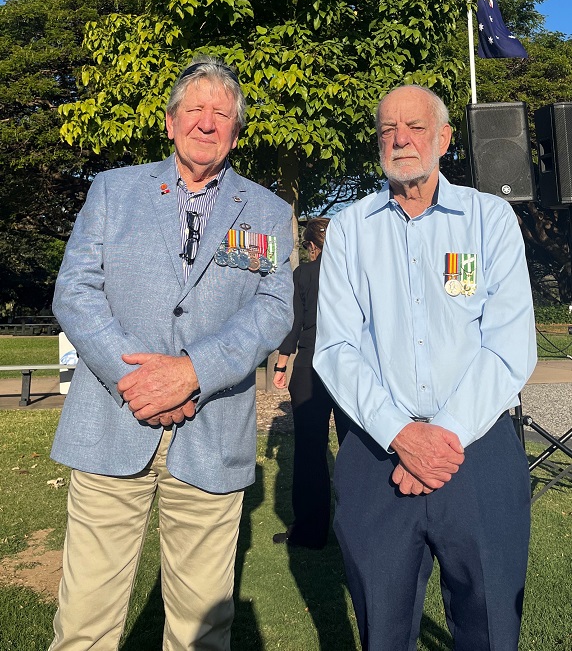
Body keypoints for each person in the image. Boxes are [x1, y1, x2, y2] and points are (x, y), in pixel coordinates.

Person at [49, 56, 294, 651]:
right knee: (84, 622)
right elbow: (74, 290)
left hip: (210, 431)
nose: (206, 123)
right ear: (170, 121)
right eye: (195, 109)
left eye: (222, 114)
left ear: (237, 130)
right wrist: (133, 378)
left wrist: (192, 372)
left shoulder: (266, 210)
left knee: (202, 630)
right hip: (111, 422)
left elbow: (273, 309)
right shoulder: (113, 190)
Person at [313, 84, 536, 651]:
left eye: (415, 128)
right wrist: (403, 435)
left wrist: (441, 439)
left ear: (444, 138)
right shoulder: (349, 230)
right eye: (388, 130)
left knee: (489, 627)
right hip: (377, 457)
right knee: (382, 630)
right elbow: (336, 349)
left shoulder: (490, 221)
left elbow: (509, 346)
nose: (400, 140)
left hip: (479, 452)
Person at [272, 218, 350, 549]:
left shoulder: (303, 275)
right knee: (355, 447)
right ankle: (358, 525)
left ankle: (310, 531)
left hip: (309, 365)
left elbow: (295, 322)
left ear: (312, 246)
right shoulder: (355, 274)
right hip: (351, 366)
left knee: (310, 450)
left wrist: (281, 363)